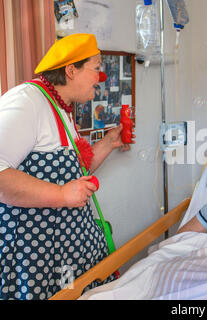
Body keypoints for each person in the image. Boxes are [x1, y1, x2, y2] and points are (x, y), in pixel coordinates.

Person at [0, 33, 134, 300]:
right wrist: (62, 196)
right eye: (96, 68)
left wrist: (108, 143)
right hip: (33, 258)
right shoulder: (27, 101)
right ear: (71, 70)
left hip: (64, 256)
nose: (100, 78)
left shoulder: (61, 107)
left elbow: (74, 173)